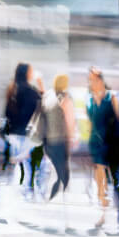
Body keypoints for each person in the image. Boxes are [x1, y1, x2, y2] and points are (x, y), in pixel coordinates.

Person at [1, 62, 44, 228]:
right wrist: (41, 85)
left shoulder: (12, 88)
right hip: (24, 136)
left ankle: (12, 208)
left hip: (12, 134)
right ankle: (15, 209)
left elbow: (6, 113)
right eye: (31, 72)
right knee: (24, 171)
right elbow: (42, 104)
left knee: (17, 171)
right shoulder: (30, 90)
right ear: (27, 73)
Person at [86, 66, 119, 234]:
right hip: (96, 144)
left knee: (115, 181)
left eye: (93, 79)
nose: (90, 82)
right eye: (89, 79)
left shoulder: (112, 97)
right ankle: (103, 214)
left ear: (100, 80)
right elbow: (90, 123)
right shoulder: (89, 99)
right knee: (100, 183)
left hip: (111, 144)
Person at [41, 74, 76, 211]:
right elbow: (70, 122)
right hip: (61, 142)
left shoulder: (48, 95)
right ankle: (52, 201)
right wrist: (72, 139)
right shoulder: (66, 98)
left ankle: (51, 199)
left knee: (59, 173)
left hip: (48, 142)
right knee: (64, 175)